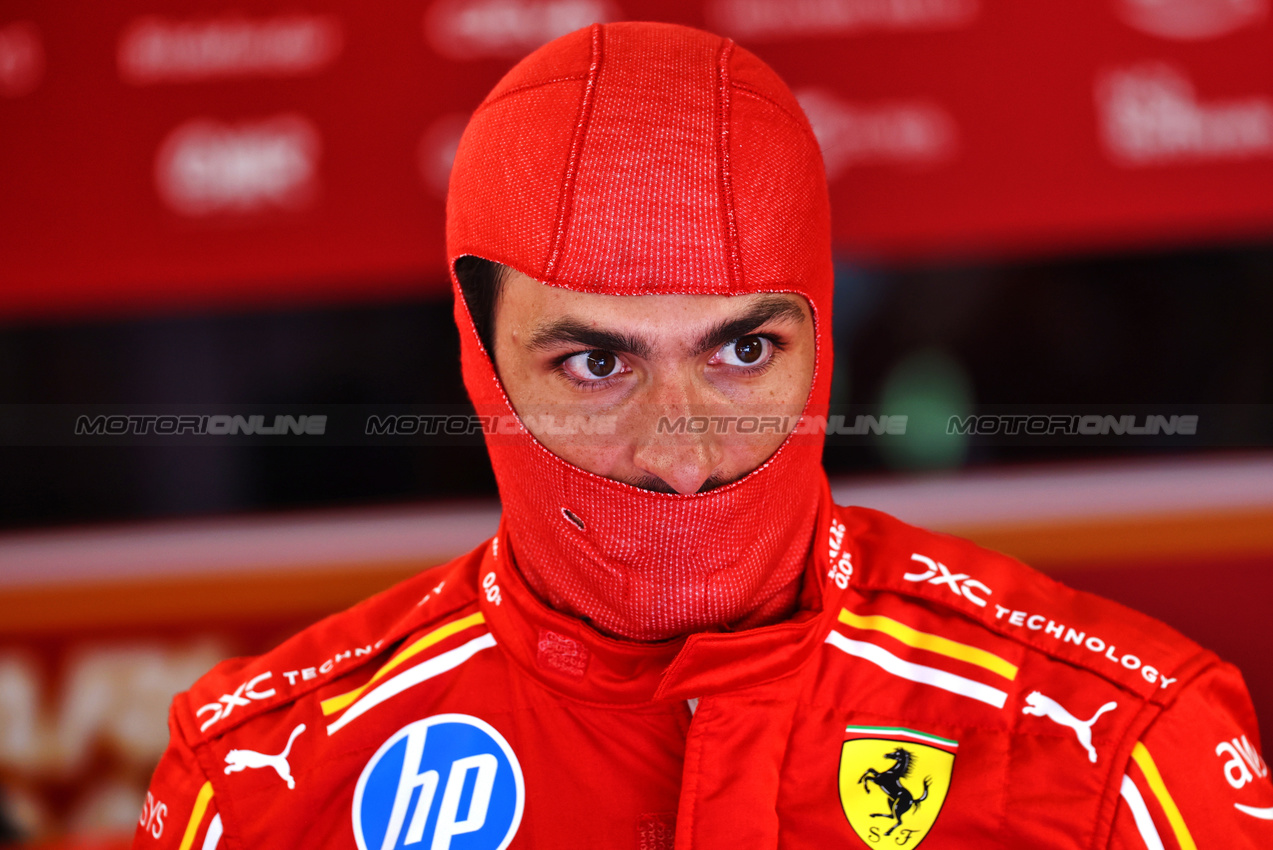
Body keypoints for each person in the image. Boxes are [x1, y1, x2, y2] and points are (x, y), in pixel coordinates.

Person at [135, 21, 1270, 850]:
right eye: (596, 361)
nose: (682, 455)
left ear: (822, 336)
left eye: (741, 352)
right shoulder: (260, 783)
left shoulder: (1111, 748)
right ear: (478, 358)